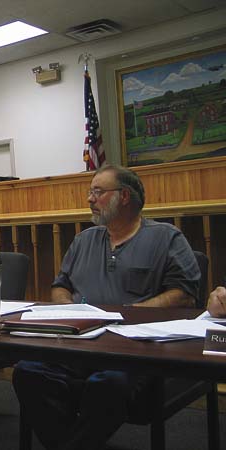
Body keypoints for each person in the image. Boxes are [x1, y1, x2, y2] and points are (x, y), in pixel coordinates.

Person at [12, 164, 200, 450]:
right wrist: (68, 311)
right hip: (79, 344)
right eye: (90, 191)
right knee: (27, 372)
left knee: (108, 384)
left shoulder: (166, 237)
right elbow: (60, 286)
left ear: (124, 196)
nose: (90, 198)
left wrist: (130, 314)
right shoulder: (84, 240)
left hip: (134, 351)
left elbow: (184, 294)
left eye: (98, 191)